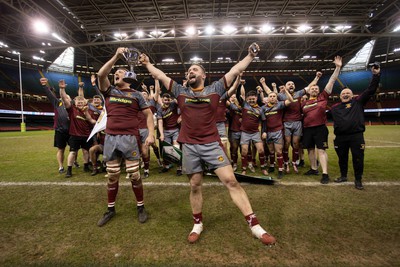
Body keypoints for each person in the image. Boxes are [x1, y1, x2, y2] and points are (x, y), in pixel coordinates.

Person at [140, 43, 276, 246]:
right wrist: (148, 64)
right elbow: (160, 76)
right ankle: (197, 224)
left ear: (203, 75)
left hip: (211, 144)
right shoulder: (179, 90)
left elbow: (235, 70)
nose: (190, 72)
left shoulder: (215, 89)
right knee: (195, 185)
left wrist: (250, 56)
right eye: (188, 71)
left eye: (194, 69)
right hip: (189, 146)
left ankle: (255, 226)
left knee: (231, 181)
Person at [96, 47, 155, 227]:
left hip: (130, 138)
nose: (116, 74)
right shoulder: (109, 91)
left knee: (134, 175)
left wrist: (151, 134)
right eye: (115, 73)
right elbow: (100, 74)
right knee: (112, 176)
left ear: (128, 76)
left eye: (120, 72)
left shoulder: (137, 95)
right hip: (111, 138)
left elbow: (149, 115)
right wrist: (116, 56)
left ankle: (140, 207)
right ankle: (110, 209)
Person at [330, 64, 381, 190]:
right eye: (343, 93)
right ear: (339, 96)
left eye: (348, 93)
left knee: (358, 158)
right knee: (342, 158)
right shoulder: (334, 108)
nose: (346, 94)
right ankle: (343, 176)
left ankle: (358, 180)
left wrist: (376, 75)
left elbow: (370, 90)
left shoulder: (358, 103)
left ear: (352, 96)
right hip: (340, 137)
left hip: (356, 137)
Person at [301, 56, 343, 184]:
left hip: (320, 128)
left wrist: (337, 68)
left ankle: (325, 173)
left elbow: (332, 80)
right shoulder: (303, 102)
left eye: (316, 88)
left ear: (319, 91)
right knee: (310, 149)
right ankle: (314, 169)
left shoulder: (323, 97)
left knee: (321, 150)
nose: (314, 89)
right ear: (309, 91)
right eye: (312, 88)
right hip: (307, 128)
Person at [58, 79, 94, 178]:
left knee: (86, 151)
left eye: (82, 101)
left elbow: (91, 121)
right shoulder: (71, 109)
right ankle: (69, 169)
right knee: (73, 152)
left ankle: (86, 166)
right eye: (78, 101)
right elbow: (64, 99)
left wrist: (81, 88)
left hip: (86, 134)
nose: (80, 102)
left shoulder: (88, 111)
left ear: (85, 102)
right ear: (74, 102)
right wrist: (62, 89)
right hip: (75, 135)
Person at [260, 88, 294, 179]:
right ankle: (271, 166)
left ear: (276, 97)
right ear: (268, 98)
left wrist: (286, 91)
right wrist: (263, 131)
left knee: (278, 151)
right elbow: (263, 121)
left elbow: (291, 100)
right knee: (271, 151)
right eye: (270, 96)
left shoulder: (279, 105)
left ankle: (280, 169)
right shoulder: (263, 108)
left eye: (274, 96)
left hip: (278, 131)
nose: (272, 98)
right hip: (268, 132)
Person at [40, 78, 70, 174]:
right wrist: (45, 86)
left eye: (67, 97)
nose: (65, 98)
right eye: (63, 97)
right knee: (61, 149)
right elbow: (50, 96)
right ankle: (61, 166)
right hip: (60, 130)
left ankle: (74, 162)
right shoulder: (58, 104)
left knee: (74, 149)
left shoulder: (73, 106)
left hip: (72, 130)